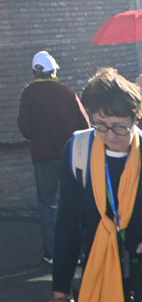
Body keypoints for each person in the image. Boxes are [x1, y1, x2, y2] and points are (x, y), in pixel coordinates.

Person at [52, 67, 142, 302]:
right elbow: (68, 224)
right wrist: (60, 288)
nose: (110, 136)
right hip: (96, 270)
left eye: (119, 126)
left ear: (136, 118)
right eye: (100, 124)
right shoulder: (78, 151)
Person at [17, 49, 89, 263]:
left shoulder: (28, 93)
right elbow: (85, 124)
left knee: (47, 203)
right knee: (73, 203)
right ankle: (76, 252)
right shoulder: (67, 92)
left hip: (43, 155)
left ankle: (51, 252)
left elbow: (24, 127)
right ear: (54, 71)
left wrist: (38, 136)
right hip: (71, 155)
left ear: (34, 72)